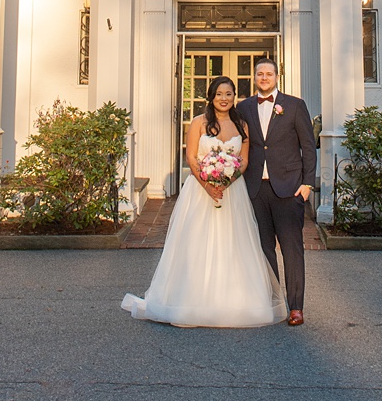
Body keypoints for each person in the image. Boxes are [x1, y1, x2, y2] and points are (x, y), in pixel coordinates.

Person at [120, 75, 286, 328]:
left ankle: (235, 301)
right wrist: (208, 185)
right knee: (196, 241)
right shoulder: (198, 123)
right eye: (219, 94)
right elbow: (191, 158)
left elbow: (243, 159)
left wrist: (226, 182)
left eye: (229, 94)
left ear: (234, 97)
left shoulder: (241, 124)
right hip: (200, 191)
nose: (224, 98)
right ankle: (189, 299)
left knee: (234, 242)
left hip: (232, 193)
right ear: (211, 96)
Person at [232, 57, 316, 326]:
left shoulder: (294, 105)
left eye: (269, 74)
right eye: (260, 74)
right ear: (254, 77)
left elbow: (308, 146)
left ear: (277, 77)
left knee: (292, 249)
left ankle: (295, 307)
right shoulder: (243, 107)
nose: (264, 78)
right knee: (263, 248)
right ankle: (273, 301)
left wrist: (307, 184)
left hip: (289, 189)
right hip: (256, 188)